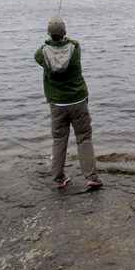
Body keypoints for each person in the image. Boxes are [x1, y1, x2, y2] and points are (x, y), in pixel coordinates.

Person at [34, 16, 102, 189]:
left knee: (59, 140)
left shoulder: (42, 51)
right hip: (78, 101)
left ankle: (59, 178)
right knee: (84, 138)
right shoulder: (75, 47)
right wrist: (62, 37)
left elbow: (38, 53)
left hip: (57, 105)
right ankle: (92, 177)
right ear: (65, 32)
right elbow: (71, 42)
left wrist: (50, 40)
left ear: (49, 33)